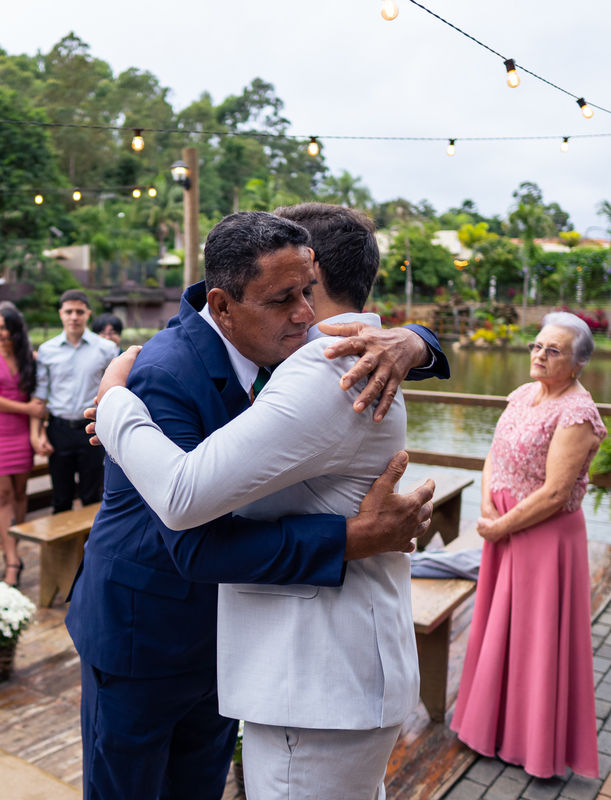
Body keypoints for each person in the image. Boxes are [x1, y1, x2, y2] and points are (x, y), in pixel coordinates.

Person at [65, 211, 448, 800]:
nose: (303, 314)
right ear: (225, 306)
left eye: (307, 290)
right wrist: (353, 539)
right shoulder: (167, 370)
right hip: (147, 632)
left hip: (233, 639)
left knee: (199, 785)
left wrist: (416, 341)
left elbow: (351, 348)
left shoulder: (288, 347)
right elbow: (191, 537)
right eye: (284, 297)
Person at [451, 312, 605, 780]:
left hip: (543, 539)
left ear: (577, 364)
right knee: (500, 628)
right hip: (504, 528)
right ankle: (489, 728)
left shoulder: (576, 412)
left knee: (536, 640)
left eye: (552, 350)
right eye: (537, 346)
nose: (539, 355)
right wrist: (487, 510)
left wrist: (503, 527)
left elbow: (557, 493)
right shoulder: (523, 394)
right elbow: (494, 454)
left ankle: (531, 743)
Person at [31, 290, 119, 514]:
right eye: (69, 311)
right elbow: (40, 395)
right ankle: (64, 549)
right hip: (58, 430)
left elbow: (116, 392)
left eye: (79, 311)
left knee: (92, 496)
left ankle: (90, 548)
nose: (74, 317)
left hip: (91, 429)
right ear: (61, 314)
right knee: (61, 498)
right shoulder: (47, 350)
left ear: (88, 314)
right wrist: (37, 433)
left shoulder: (106, 348)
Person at [0, 306, 43, 587]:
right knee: (1, 497)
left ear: (16, 330)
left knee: (19, 493)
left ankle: (16, 540)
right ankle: (11, 558)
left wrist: (35, 429)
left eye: (4, 328)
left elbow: (40, 400)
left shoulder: (31, 358)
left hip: (20, 435)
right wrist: (27, 409)